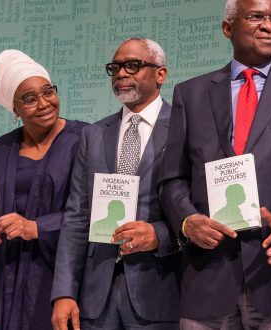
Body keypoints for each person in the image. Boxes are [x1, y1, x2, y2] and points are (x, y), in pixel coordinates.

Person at [157, 0, 271, 328]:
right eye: (256, 17)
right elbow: (172, 178)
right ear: (228, 28)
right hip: (206, 278)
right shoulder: (190, 94)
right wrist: (187, 221)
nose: (269, 25)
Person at [51, 38, 181, 330]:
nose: (121, 73)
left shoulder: (185, 128)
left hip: (161, 293)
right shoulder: (93, 134)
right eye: (115, 67)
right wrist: (64, 292)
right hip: (97, 299)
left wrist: (160, 234)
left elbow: (200, 206)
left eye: (132, 66)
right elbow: (76, 217)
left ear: (161, 74)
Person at [0, 49, 88, 330]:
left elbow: (97, 212)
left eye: (48, 92)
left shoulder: (88, 140)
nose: (44, 103)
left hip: (65, 276)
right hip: (11, 275)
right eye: (29, 99)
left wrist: (36, 227)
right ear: (14, 109)